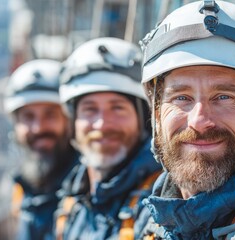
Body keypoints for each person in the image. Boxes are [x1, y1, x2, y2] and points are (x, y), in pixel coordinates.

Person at [135, 0, 235, 239]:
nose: (199, 121)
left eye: (223, 96)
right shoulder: (150, 221)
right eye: (181, 98)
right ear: (156, 114)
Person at [55, 37, 161, 240]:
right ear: (74, 120)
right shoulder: (71, 204)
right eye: (89, 109)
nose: (102, 124)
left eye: (117, 108)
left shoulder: (159, 205)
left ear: (143, 119)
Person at [4, 59, 79, 240]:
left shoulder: (87, 189)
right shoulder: (24, 189)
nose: (38, 128)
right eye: (28, 116)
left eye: (50, 114)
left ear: (69, 119)